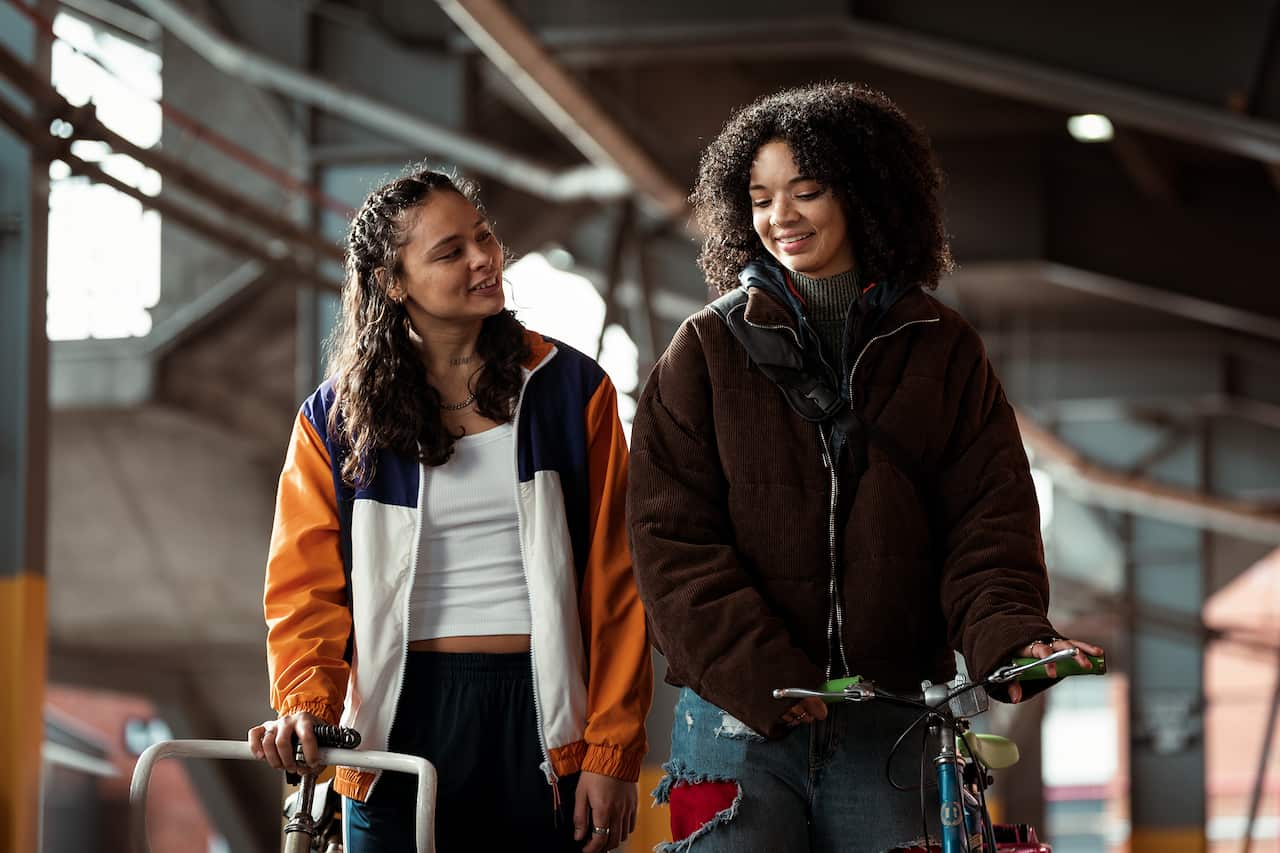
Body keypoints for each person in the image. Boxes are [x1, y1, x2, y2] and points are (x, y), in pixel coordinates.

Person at [627, 82, 1104, 851]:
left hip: (889, 724)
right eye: (758, 197)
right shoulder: (703, 353)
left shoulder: (943, 348)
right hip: (738, 721)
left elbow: (990, 523)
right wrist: (760, 673)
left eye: (806, 190)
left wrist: (1010, 640)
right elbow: (667, 539)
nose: (779, 216)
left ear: (868, 194)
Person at [247, 167, 652, 853]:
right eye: (449, 251)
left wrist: (611, 750)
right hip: (397, 725)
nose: (483, 258)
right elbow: (305, 589)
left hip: (543, 722)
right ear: (392, 282)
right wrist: (307, 705)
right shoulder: (336, 419)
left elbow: (620, 582)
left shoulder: (571, 391)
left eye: (484, 236)